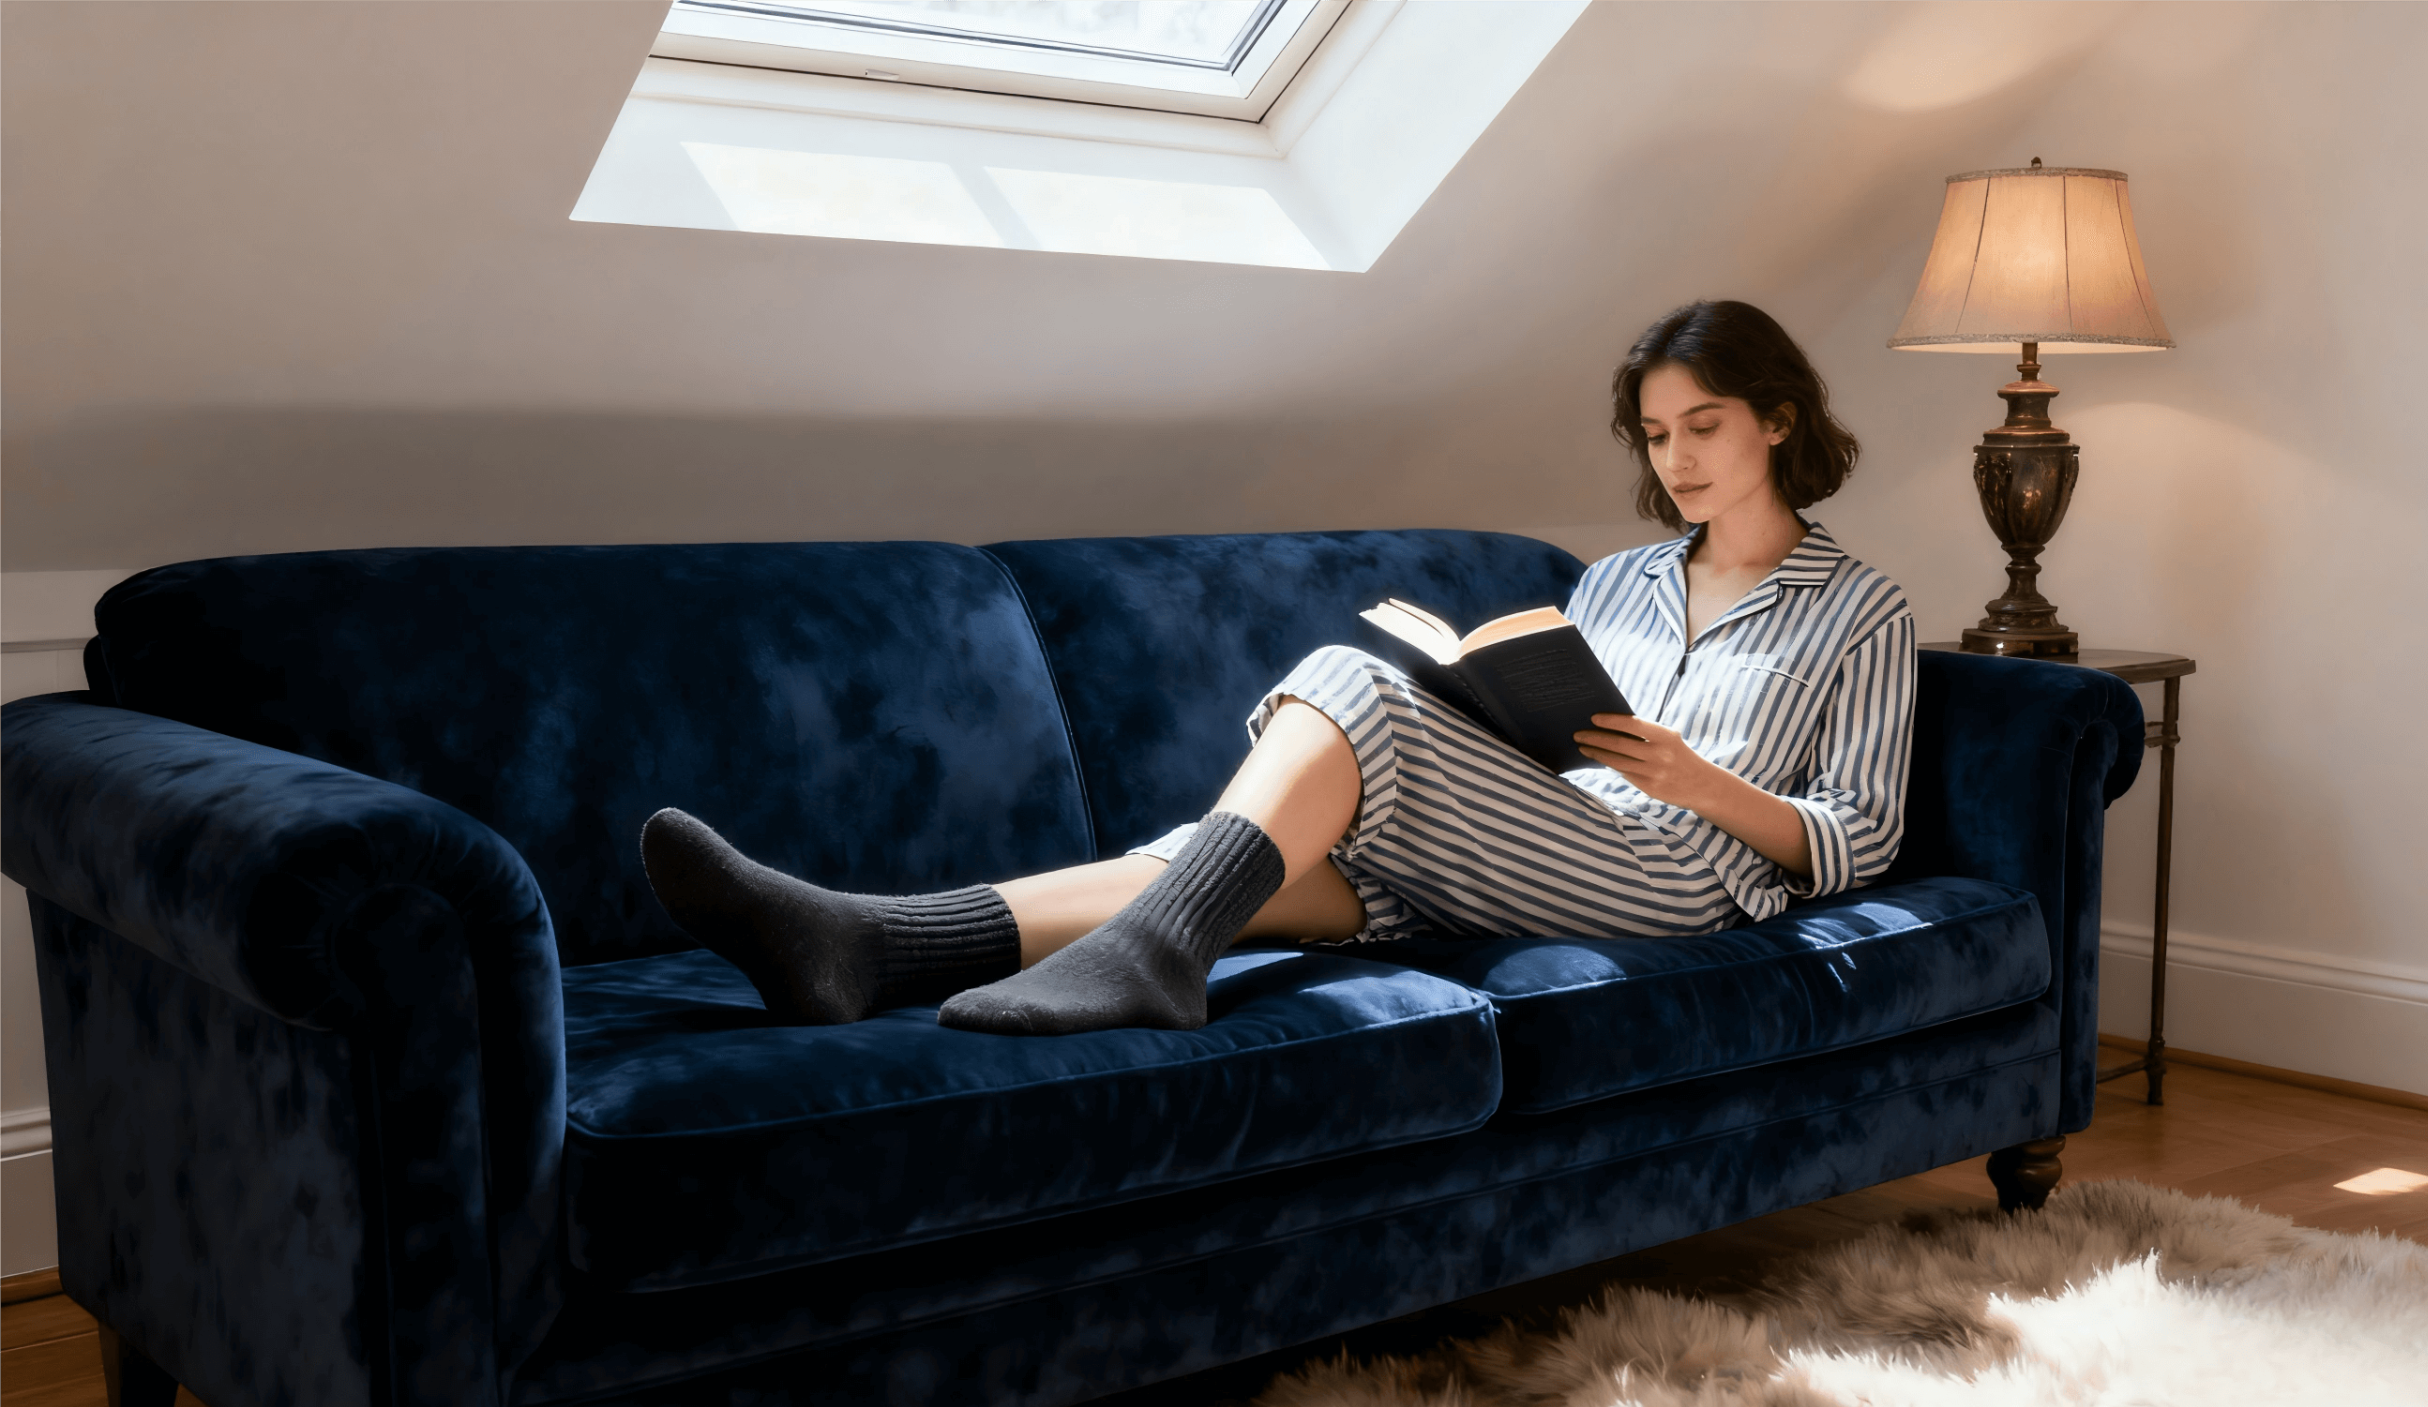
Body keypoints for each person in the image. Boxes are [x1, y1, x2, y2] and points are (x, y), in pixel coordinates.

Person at [640, 299, 1915, 1038]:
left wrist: (1700, 783)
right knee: (1245, 856)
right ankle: (867, 941)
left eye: (1703, 426)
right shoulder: (1617, 578)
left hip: (1683, 876)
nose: (1676, 458)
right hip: (1548, 838)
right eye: (1655, 433)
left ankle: (1153, 957)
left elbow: (1860, 836)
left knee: (1347, 682)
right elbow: (1555, 738)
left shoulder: (1861, 607)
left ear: (1778, 419)